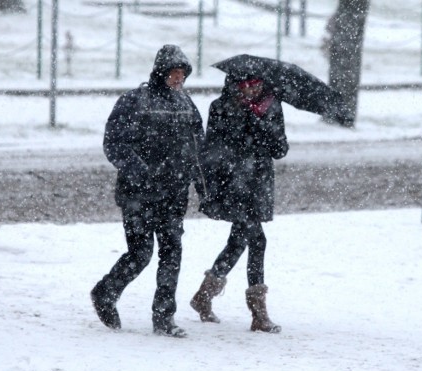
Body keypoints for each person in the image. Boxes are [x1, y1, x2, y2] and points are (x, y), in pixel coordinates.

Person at [90, 45, 205, 338]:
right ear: (161, 72)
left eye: (183, 74)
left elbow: (197, 149)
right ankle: (105, 293)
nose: (179, 79)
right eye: (174, 73)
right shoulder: (134, 101)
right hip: (137, 194)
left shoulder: (187, 105)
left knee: (172, 253)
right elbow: (114, 144)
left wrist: (202, 185)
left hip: (174, 194)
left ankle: (164, 317)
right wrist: (142, 172)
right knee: (140, 253)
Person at [191, 74, 289, 333]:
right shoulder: (221, 107)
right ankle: (258, 314)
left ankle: (204, 295)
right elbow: (212, 149)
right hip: (234, 183)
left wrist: (261, 126)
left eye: (257, 84)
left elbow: (280, 149)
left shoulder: (271, 106)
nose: (253, 90)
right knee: (256, 240)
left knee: (239, 241)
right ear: (235, 85)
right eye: (247, 85)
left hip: (259, 183)